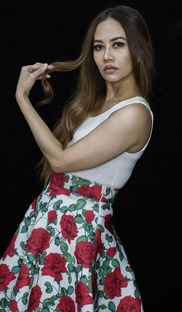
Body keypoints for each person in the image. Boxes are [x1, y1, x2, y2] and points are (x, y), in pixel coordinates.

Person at [0, 5, 154, 312]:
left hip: (73, 234)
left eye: (118, 44)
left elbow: (61, 161)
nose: (106, 56)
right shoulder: (98, 102)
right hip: (48, 223)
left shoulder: (135, 113)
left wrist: (21, 97)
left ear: (138, 49)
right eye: (99, 47)